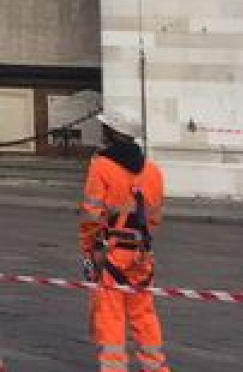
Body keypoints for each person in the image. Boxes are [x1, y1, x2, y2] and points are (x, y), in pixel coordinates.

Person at [79, 111, 173, 372]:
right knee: (144, 314)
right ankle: (155, 367)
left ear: (110, 134)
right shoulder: (153, 171)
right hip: (142, 252)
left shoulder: (101, 167)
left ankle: (114, 368)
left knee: (110, 316)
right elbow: (155, 218)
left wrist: (89, 249)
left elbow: (91, 216)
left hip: (110, 252)